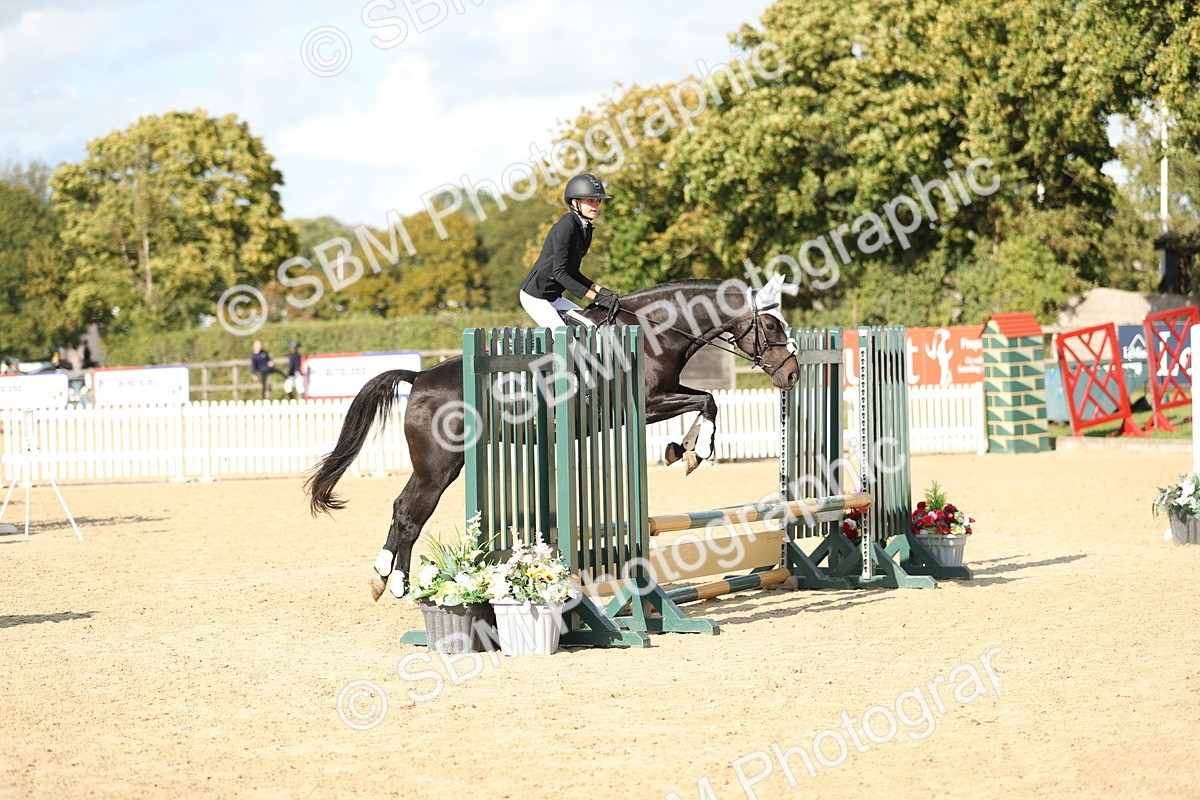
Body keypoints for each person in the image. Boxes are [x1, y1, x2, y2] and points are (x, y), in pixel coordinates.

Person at [519, 173, 620, 328]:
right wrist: (595, 298)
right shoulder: (566, 226)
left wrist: (602, 291)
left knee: (591, 327)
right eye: (590, 201)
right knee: (567, 339)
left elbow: (573, 272)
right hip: (536, 297)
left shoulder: (586, 228)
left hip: (553, 297)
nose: (596, 205)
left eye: (598, 201)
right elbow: (560, 273)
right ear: (574, 202)